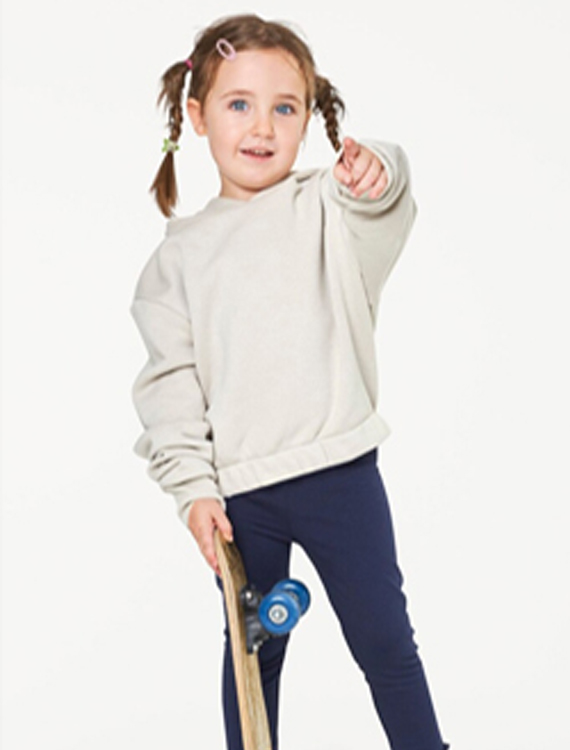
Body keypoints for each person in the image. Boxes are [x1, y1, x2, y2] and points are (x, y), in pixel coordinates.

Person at [131, 13, 449, 750]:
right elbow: (171, 391)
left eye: (285, 107)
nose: (261, 126)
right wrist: (194, 491)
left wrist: (378, 170)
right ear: (197, 115)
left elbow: (384, 198)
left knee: (385, 642)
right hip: (243, 497)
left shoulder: (329, 208)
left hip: (342, 475)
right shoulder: (176, 262)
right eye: (239, 103)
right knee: (253, 657)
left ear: (310, 119)